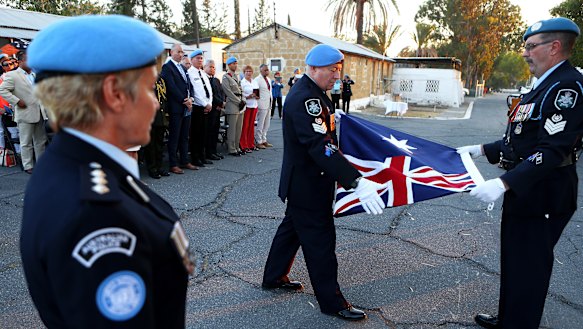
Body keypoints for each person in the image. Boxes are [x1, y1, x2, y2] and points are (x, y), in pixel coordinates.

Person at [20, 15, 191, 328]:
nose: (155, 104)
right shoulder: (97, 215)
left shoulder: (69, 163)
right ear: (114, 93)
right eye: (150, 89)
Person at [457, 17, 582, 329]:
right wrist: (480, 149)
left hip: (545, 192)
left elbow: (552, 151)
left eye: (530, 46)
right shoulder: (543, 85)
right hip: (527, 190)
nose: (525, 53)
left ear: (554, 47)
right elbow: (519, 140)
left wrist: (503, 182)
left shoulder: (566, 88)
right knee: (515, 260)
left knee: (529, 265)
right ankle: (511, 318)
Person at [262, 44, 384, 321]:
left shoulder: (315, 95)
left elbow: (319, 129)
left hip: (302, 181)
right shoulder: (308, 100)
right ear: (314, 68)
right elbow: (319, 146)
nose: (336, 76)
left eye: (339, 70)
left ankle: (273, 276)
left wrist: (332, 119)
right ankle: (332, 302)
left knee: (291, 230)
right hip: (308, 185)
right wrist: (355, 180)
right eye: (332, 70)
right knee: (321, 244)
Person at [0, 50, 48, 174]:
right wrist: (16, 101)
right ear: (20, 61)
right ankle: (28, 166)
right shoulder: (12, 75)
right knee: (26, 142)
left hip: (39, 112)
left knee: (40, 141)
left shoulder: (34, 75)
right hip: (24, 112)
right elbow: (3, 90)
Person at [161, 44, 196, 174]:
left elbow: (189, 85)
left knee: (185, 136)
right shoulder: (167, 67)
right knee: (174, 136)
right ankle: (173, 163)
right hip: (176, 107)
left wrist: (191, 98)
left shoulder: (182, 67)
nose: (181, 54)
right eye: (178, 52)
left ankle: (185, 160)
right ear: (171, 52)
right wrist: (184, 100)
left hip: (187, 107)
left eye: (182, 52)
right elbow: (171, 87)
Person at [144, 56, 170, 179]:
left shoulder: (160, 79)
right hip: (149, 116)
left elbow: (164, 98)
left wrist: (166, 114)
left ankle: (159, 166)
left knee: (159, 143)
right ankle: (152, 168)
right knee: (151, 145)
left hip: (160, 116)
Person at [187, 49, 213, 167]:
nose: (200, 60)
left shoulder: (203, 73)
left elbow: (209, 90)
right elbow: (195, 92)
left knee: (204, 133)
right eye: (197, 58)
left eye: (201, 58)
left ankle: (202, 156)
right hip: (197, 107)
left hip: (207, 106)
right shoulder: (190, 73)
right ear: (191, 60)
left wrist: (210, 103)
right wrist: (204, 104)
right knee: (196, 134)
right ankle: (195, 157)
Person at [222, 56, 245, 157]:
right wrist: (238, 101)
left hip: (240, 104)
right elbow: (228, 92)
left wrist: (243, 100)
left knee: (238, 128)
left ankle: (237, 147)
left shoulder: (237, 76)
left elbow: (240, 89)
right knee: (232, 129)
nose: (236, 65)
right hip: (232, 104)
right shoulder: (226, 77)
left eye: (236, 63)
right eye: (234, 63)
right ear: (229, 65)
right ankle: (232, 149)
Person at [204, 59, 225, 161]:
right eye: (210, 67)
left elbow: (221, 92)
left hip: (218, 109)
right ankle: (208, 152)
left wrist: (222, 103)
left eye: (214, 67)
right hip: (211, 109)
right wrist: (218, 103)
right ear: (205, 67)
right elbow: (210, 94)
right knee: (209, 132)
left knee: (215, 131)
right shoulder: (204, 79)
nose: (212, 69)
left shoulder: (216, 80)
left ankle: (214, 151)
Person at [239, 65, 259, 153]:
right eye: (246, 71)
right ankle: (244, 145)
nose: (248, 73)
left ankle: (251, 144)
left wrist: (257, 96)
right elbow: (241, 95)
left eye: (250, 71)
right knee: (245, 126)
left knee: (251, 126)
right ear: (244, 73)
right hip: (246, 106)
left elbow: (258, 92)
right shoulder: (242, 83)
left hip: (254, 105)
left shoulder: (254, 82)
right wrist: (249, 96)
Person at [254, 64, 273, 149]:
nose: (267, 71)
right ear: (261, 71)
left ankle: (264, 139)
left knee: (267, 124)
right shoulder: (257, 80)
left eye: (267, 70)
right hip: (261, 104)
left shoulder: (268, 79)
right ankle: (258, 141)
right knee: (260, 124)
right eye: (265, 70)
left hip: (269, 103)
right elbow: (255, 92)